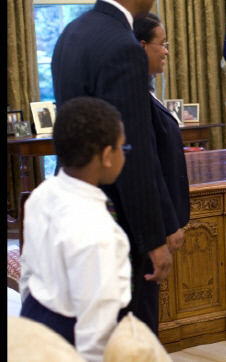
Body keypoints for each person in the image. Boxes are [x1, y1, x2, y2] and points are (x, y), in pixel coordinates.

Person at [51, 0, 178, 335]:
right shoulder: (123, 46)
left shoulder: (71, 32)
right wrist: (153, 239)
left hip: (76, 204)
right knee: (131, 328)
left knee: (91, 322)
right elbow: (132, 151)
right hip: (118, 218)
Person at [19, 96, 132, 362]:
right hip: (71, 335)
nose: (124, 154)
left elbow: (27, 270)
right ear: (106, 156)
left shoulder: (42, 193)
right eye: (122, 147)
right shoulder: (99, 230)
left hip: (34, 314)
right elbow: (96, 324)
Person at [133, 12, 190, 259]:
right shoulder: (134, 97)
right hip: (153, 226)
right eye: (163, 43)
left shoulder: (145, 90)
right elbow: (149, 167)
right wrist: (167, 223)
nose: (166, 51)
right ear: (142, 46)